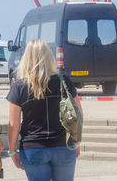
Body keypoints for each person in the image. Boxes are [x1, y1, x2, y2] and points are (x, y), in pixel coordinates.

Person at [7, 39, 83, 181]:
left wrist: (12, 151)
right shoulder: (64, 81)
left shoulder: (19, 87)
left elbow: (14, 124)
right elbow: (78, 115)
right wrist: (76, 141)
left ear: (26, 58)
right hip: (63, 146)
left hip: (33, 147)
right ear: (49, 56)